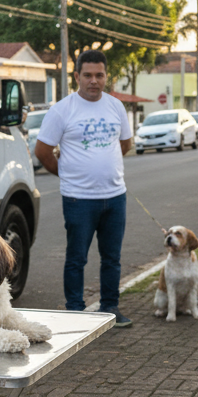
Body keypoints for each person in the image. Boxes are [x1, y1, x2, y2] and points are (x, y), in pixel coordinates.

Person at [35, 50, 135, 327]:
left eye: (99, 75)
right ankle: (75, 313)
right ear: (77, 76)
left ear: (106, 76)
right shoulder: (62, 110)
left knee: (112, 258)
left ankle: (110, 309)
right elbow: (42, 151)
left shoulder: (116, 107)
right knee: (76, 258)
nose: (94, 81)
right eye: (88, 75)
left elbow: (124, 144)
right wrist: (67, 174)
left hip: (115, 197)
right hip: (79, 199)